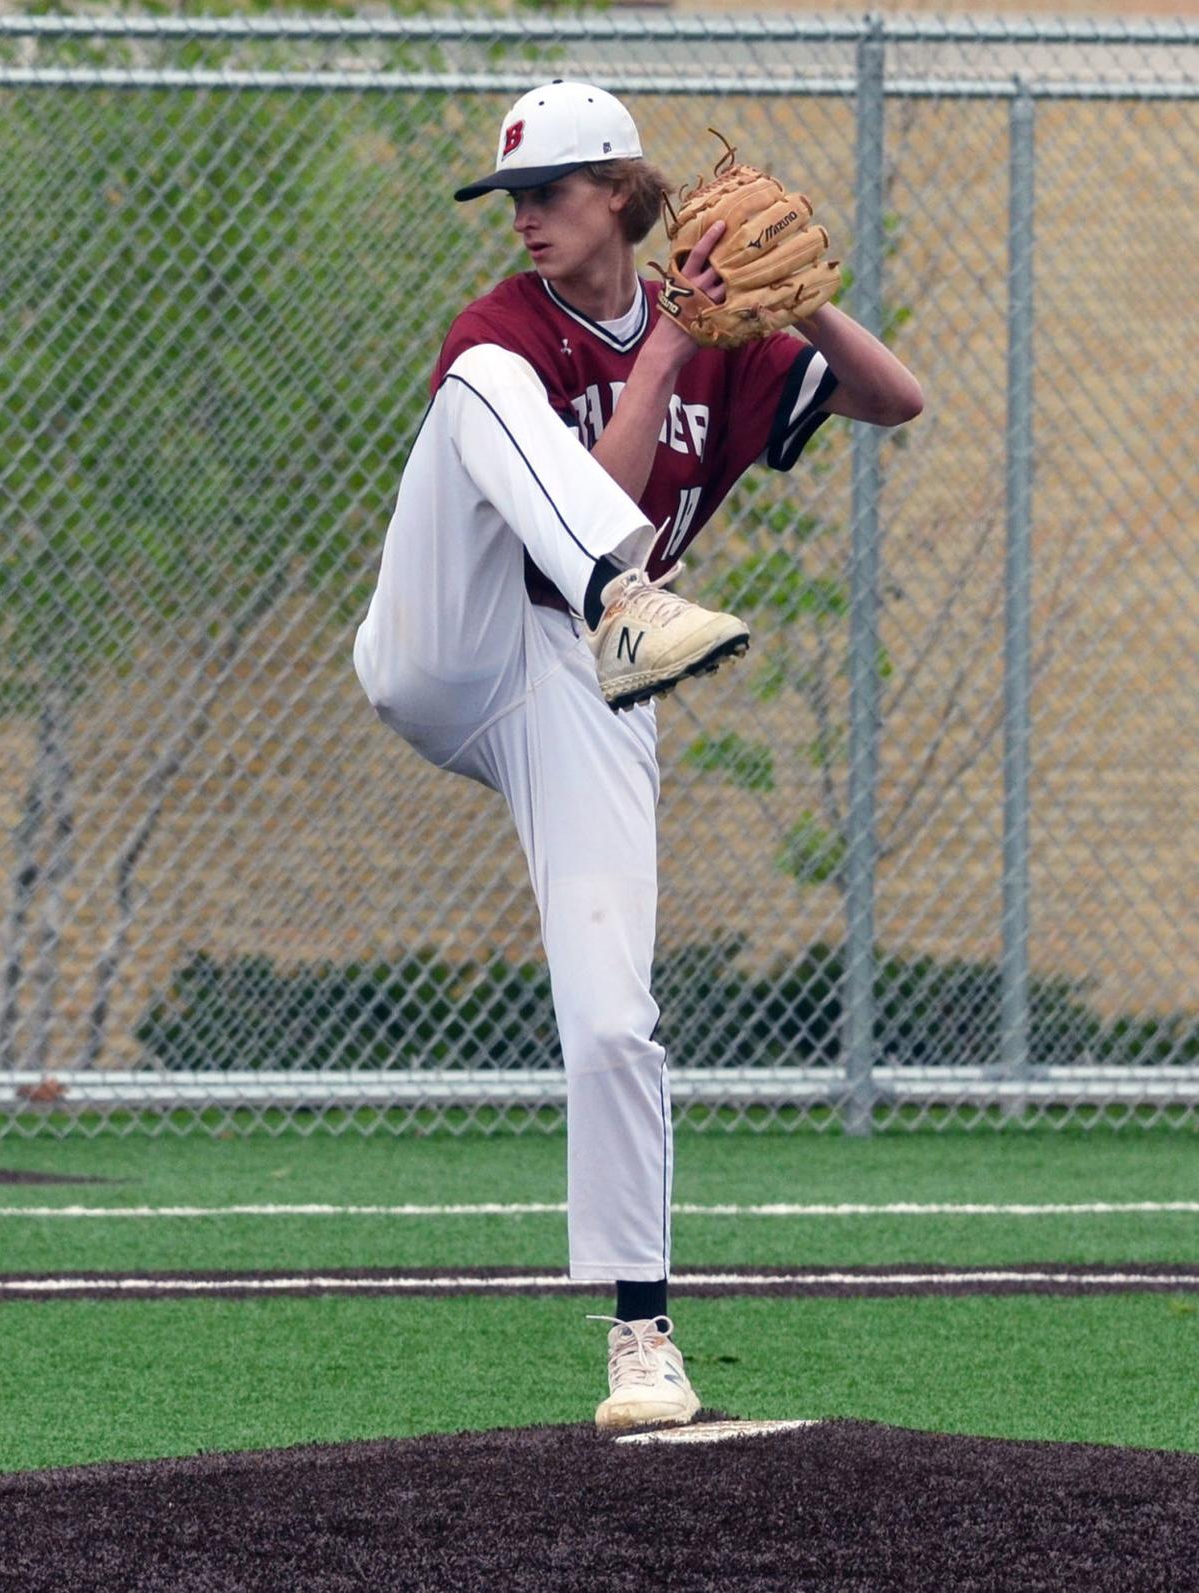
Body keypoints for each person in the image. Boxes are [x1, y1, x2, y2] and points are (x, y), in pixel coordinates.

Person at [353, 81, 922, 1431]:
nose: (525, 221)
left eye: (545, 193)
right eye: (512, 202)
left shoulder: (730, 340)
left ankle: (643, 1339)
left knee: (612, 1014)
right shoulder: (510, 322)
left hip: (592, 676)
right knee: (479, 381)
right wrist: (661, 350)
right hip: (461, 628)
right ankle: (630, 593)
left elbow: (897, 399)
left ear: (619, 189)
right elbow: (605, 488)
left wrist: (797, 301)